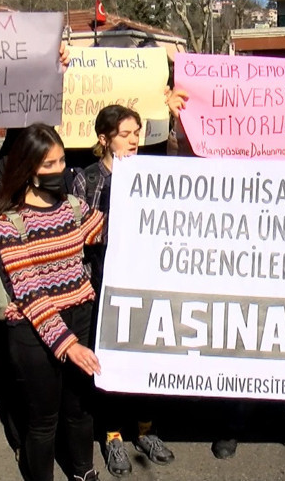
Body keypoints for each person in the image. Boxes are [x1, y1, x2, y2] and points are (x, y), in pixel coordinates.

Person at [0, 123, 104, 481]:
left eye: (62, 161)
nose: (59, 170)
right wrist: (68, 345)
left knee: (80, 409)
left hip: (80, 315)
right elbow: (31, 293)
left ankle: (83, 471)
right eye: (48, 164)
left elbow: (113, 232)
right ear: (28, 167)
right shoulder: (10, 223)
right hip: (33, 329)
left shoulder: (74, 207)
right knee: (43, 421)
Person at [72, 106, 176, 476]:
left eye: (138, 132)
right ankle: (113, 436)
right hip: (103, 287)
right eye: (126, 134)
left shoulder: (152, 173)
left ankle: (147, 431)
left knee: (146, 360)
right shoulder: (86, 179)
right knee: (111, 364)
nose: (135, 140)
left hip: (147, 285)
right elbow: (79, 236)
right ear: (104, 139)